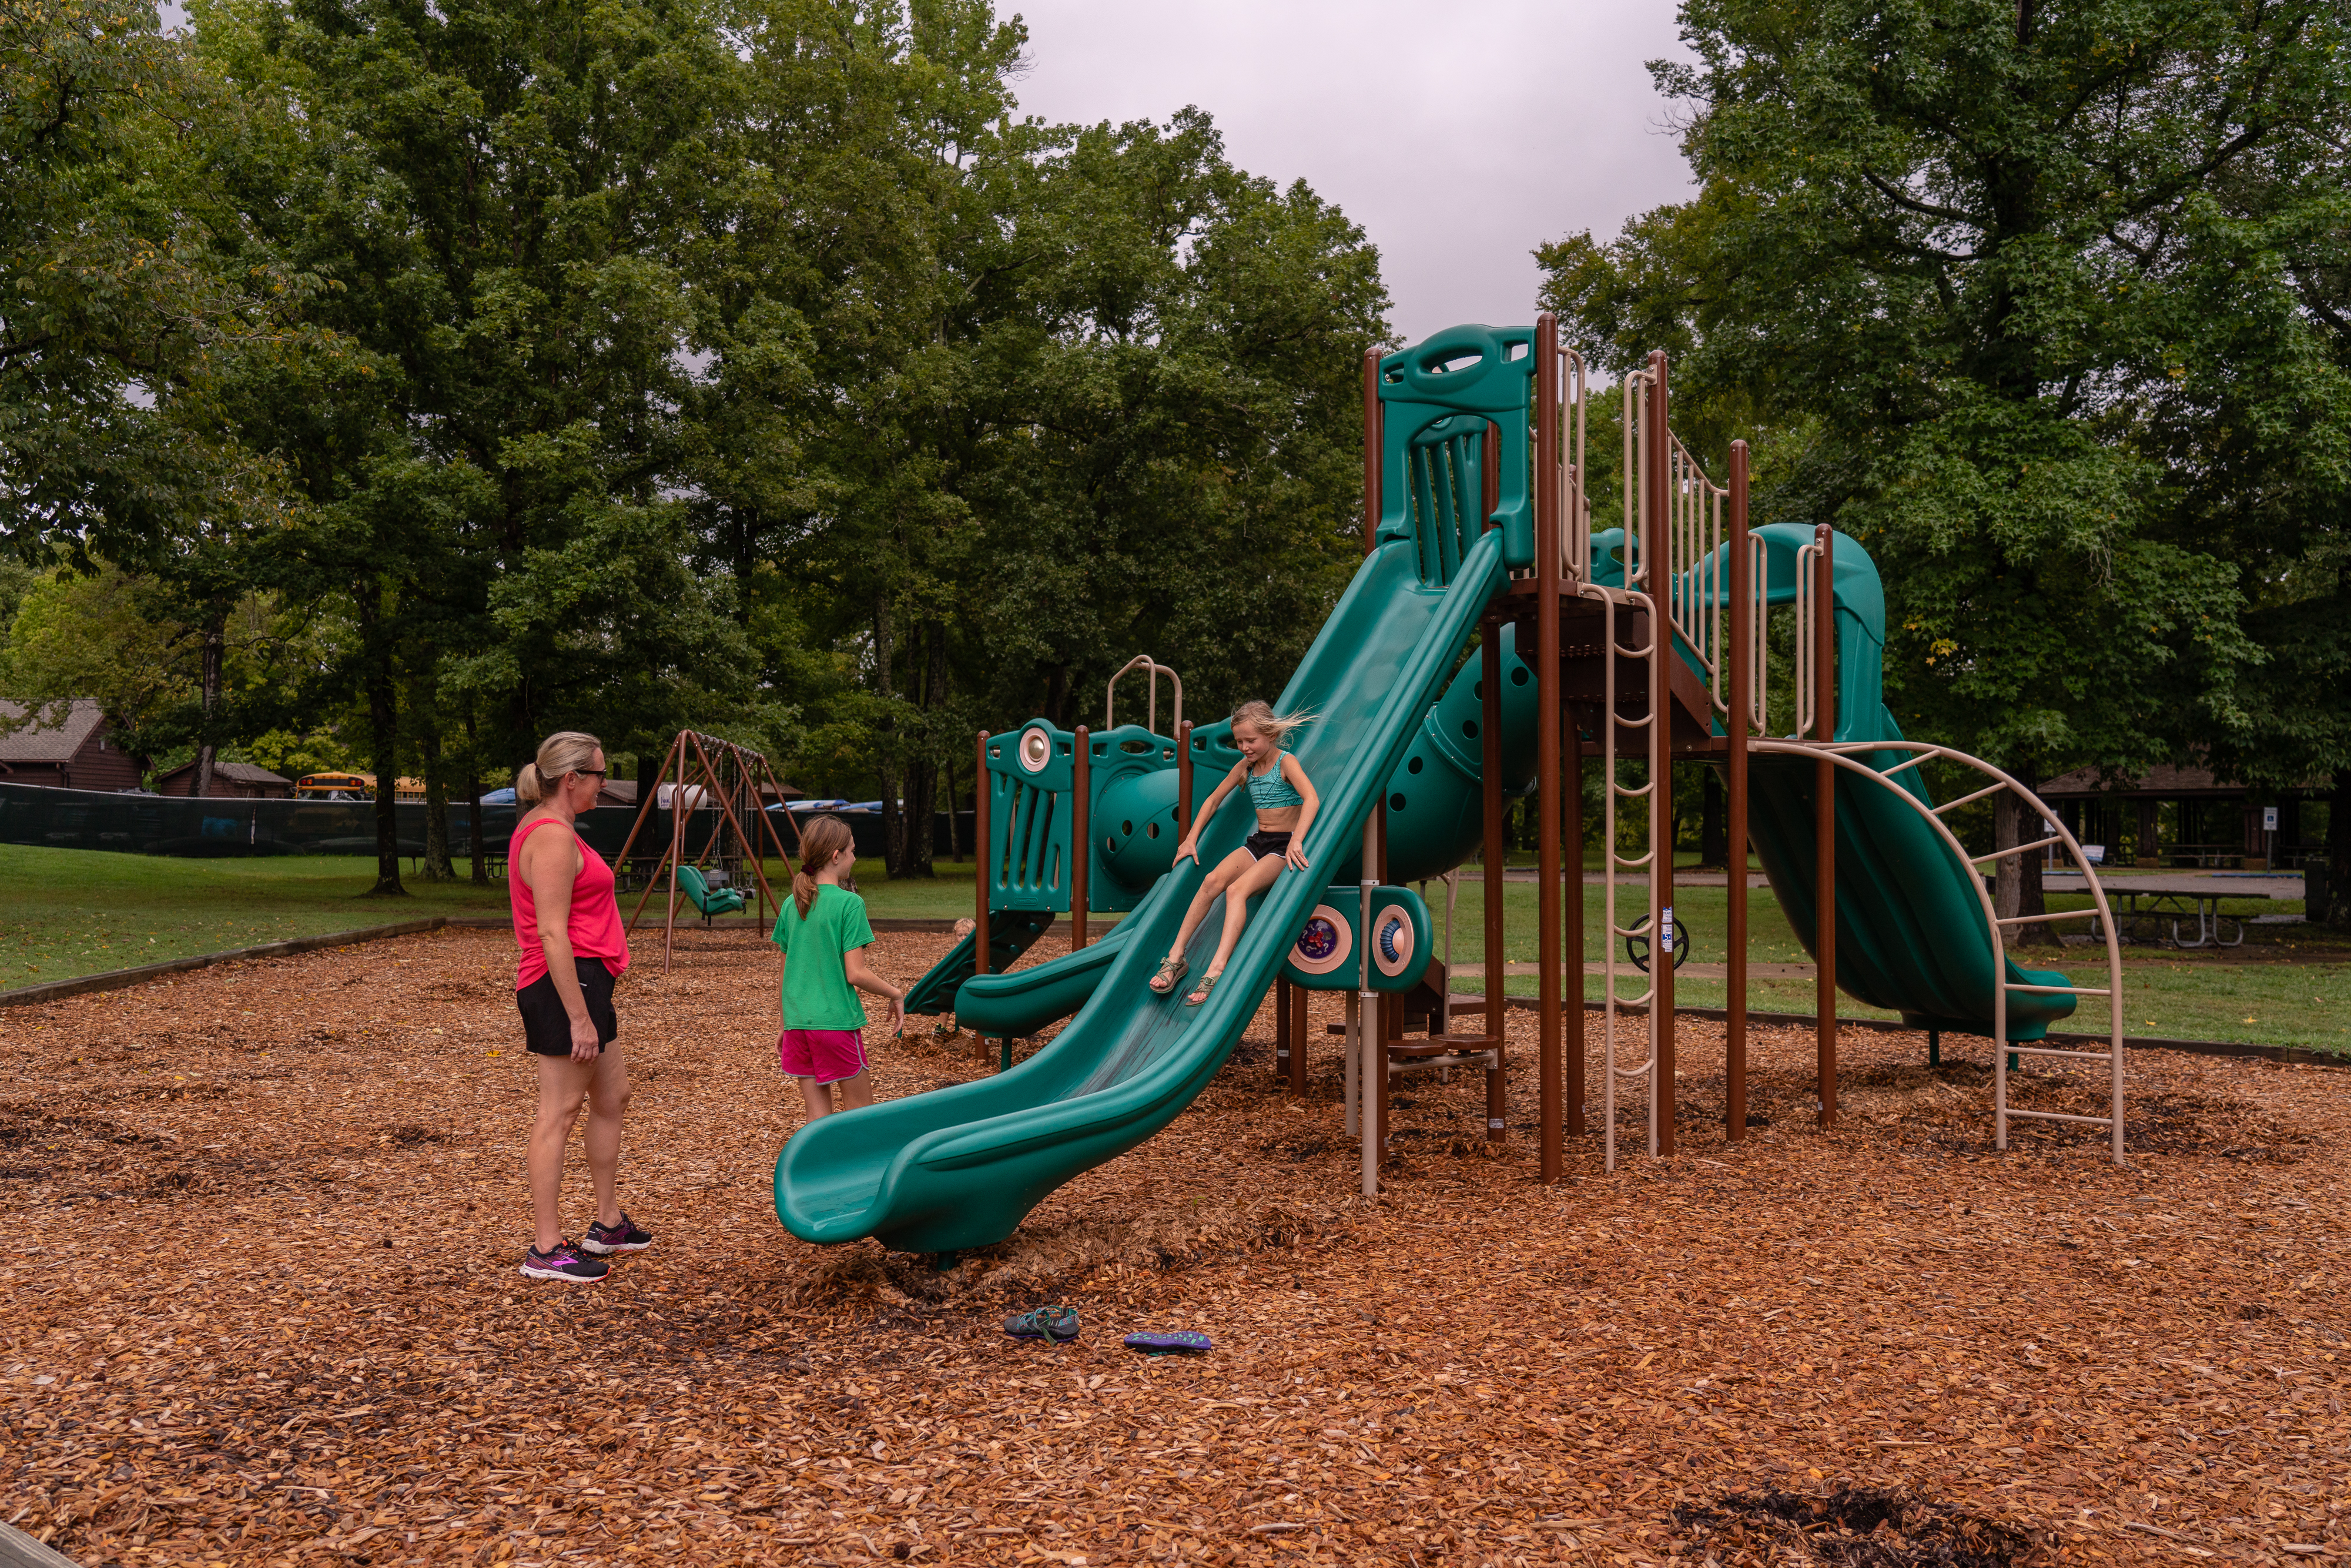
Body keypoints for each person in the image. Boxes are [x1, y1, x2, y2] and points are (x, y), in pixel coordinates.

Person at [508, 731, 650, 1284]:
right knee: (559, 1113)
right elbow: (550, 932)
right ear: (572, 780)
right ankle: (546, 1250)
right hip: (561, 985)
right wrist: (578, 1016)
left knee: (613, 1095)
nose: (604, 783)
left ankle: (608, 1224)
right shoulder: (551, 837)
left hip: (587, 981)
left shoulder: (557, 829)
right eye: (598, 774)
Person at [1149, 700, 1319, 1007]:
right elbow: (1213, 800)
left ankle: (1217, 967)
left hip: (1283, 847)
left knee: (1236, 891)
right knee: (1212, 881)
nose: (1244, 747)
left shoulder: (1286, 762)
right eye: (1239, 741)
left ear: (1269, 734)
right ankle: (1177, 957)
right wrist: (1190, 839)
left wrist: (1298, 840)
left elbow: (1311, 799)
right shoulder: (1246, 766)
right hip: (1259, 842)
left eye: (1250, 740)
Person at [774, 814, 905, 1121]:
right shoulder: (850, 904)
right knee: (861, 1118)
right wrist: (896, 993)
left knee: (817, 1117)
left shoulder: (791, 905)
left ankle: (816, 1168)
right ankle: (861, 1170)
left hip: (798, 1026)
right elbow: (856, 974)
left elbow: (783, 975)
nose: (855, 858)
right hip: (835, 1026)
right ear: (836, 856)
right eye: (852, 851)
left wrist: (783, 1025)